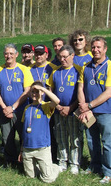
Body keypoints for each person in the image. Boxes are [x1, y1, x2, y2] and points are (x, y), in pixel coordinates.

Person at [77, 36, 111, 184]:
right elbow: (80, 88)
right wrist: (84, 107)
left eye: (98, 47)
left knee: (107, 142)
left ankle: (108, 171)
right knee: (91, 140)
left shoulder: (109, 66)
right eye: (93, 47)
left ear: (105, 49)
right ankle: (94, 166)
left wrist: (89, 105)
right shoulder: (86, 66)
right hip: (89, 112)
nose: (95, 50)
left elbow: (108, 92)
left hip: (105, 112)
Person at [0, 43, 33, 165]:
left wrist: (13, 107)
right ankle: (11, 161)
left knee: (23, 136)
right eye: (6, 53)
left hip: (21, 110)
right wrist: (5, 108)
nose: (8, 56)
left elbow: (27, 91)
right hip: (4, 111)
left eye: (11, 53)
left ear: (16, 55)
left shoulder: (24, 69)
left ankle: (25, 160)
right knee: (6, 138)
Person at [47, 45, 83, 174]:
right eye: (60, 57)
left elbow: (81, 92)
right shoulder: (55, 71)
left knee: (75, 137)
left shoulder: (79, 70)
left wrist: (70, 107)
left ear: (72, 56)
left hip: (73, 111)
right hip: (58, 111)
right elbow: (50, 89)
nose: (62, 59)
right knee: (61, 137)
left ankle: (75, 163)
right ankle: (62, 161)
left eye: (65, 57)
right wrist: (56, 106)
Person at [19, 81, 60, 183]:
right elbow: (24, 131)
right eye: (32, 92)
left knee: (47, 179)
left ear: (42, 93)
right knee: (30, 176)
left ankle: (54, 167)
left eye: (37, 92)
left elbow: (57, 101)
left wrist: (44, 89)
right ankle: (39, 166)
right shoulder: (27, 108)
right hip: (28, 149)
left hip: (42, 148)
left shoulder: (46, 106)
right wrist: (21, 150)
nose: (34, 94)